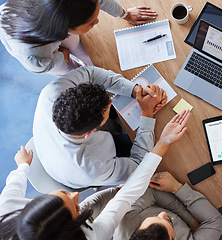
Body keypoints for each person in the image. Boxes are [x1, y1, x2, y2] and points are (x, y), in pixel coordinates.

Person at [0, 110, 191, 240]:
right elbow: (127, 194)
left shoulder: (7, 207)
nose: (76, 194)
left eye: (64, 193)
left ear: (34, 203)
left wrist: (23, 167)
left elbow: (13, 187)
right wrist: (164, 142)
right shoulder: (91, 235)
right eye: (76, 206)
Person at [33, 65, 166, 189]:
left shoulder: (51, 92)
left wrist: (134, 89)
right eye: (108, 108)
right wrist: (147, 113)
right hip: (75, 168)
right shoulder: (91, 169)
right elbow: (139, 168)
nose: (111, 101)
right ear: (91, 132)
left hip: (54, 147)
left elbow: (89, 73)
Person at [0, 0, 157, 75]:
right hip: (32, 43)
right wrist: (62, 55)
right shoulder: (35, 56)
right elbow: (43, 66)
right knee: (73, 71)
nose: (98, 22)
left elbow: (99, 1)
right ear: (66, 28)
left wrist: (125, 14)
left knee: (91, 59)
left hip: (45, 23)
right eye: (91, 23)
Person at [113, 172, 222, 240]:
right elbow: (214, 221)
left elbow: (152, 192)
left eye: (155, 216)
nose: (163, 213)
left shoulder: (123, 220)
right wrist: (176, 188)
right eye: (169, 221)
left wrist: (191, 221)